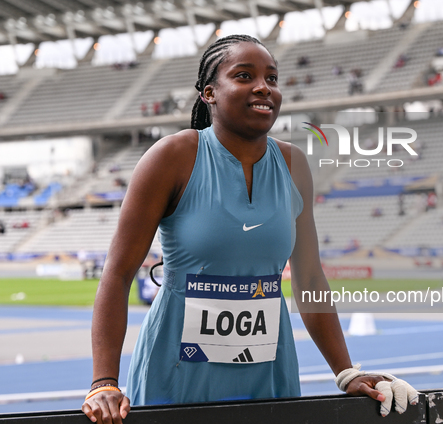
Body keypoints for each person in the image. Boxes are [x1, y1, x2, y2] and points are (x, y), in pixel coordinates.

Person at [81, 35, 417, 424]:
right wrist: (104, 381)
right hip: (176, 371)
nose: (264, 87)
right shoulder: (172, 156)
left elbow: (308, 276)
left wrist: (346, 371)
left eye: (272, 79)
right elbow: (117, 274)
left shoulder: (294, 164)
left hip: (268, 371)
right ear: (209, 92)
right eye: (244, 76)